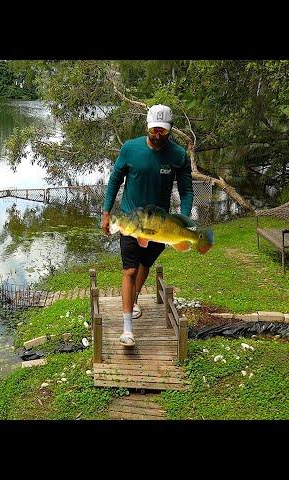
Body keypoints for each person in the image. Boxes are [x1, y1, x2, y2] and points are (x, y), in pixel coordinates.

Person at [100, 104, 194, 346]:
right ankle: (127, 327)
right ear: (148, 128)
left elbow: (186, 190)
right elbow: (114, 180)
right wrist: (106, 212)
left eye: (162, 131)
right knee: (129, 269)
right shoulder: (130, 149)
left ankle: (135, 298)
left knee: (144, 265)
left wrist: (183, 219)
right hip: (131, 220)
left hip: (160, 224)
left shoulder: (178, 156)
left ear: (170, 130)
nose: (158, 135)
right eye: (154, 130)